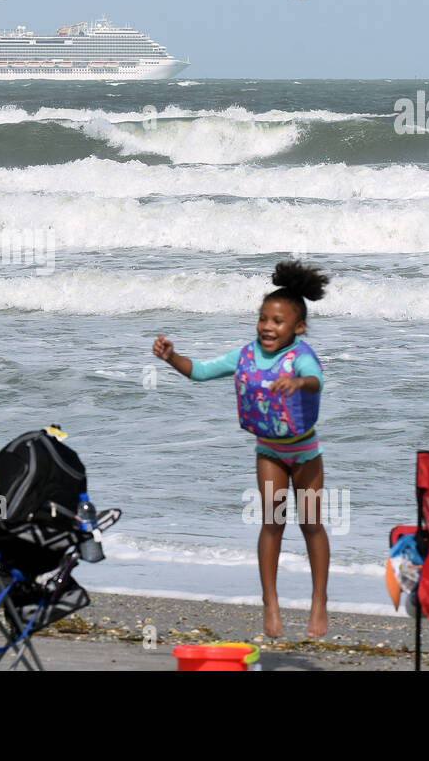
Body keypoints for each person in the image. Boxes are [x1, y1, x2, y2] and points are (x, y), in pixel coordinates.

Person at [153, 260, 331, 639]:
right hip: (269, 452)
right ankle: (271, 603)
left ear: (297, 328)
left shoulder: (300, 356)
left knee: (311, 525)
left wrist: (299, 383)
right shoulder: (246, 355)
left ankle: (319, 602)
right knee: (272, 523)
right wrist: (171, 358)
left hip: (305, 455)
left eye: (278, 321)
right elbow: (200, 371)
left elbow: (316, 381)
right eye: (263, 318)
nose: (268, 326)